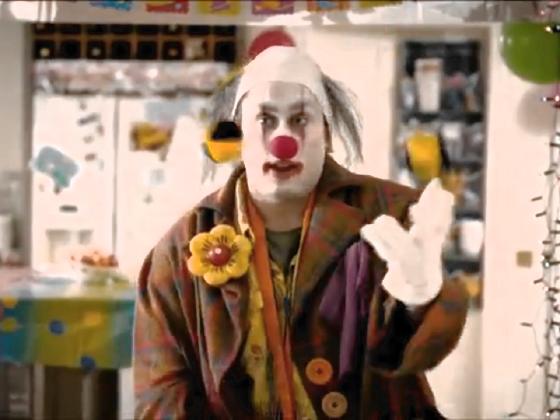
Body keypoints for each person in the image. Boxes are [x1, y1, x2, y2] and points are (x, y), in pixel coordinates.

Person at [133, 46, 468, 420]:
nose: (284, 140)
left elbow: (420, 348)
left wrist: (421, 299)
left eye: (300, 119)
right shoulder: (180, 249)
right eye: (265, 119)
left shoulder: (391, 213)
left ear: (326, 133)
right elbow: (161, 392)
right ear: (237, 133)